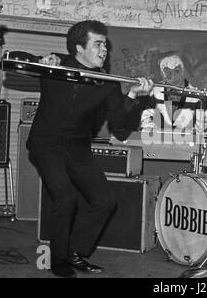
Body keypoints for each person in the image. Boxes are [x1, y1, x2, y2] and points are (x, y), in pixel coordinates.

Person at [22, 20, 154, 278]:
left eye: (105, 44)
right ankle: (58, 260)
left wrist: (134, 97)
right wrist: (41, 59)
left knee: (104, 201)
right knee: (65, 197)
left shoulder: (107, 83)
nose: (104, 49)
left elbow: (121, 127)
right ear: (79, 49)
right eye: (98, 44)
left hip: (77, 148)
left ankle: (75, 252)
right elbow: (18, 60)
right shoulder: (56, 64)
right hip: (46, 144)